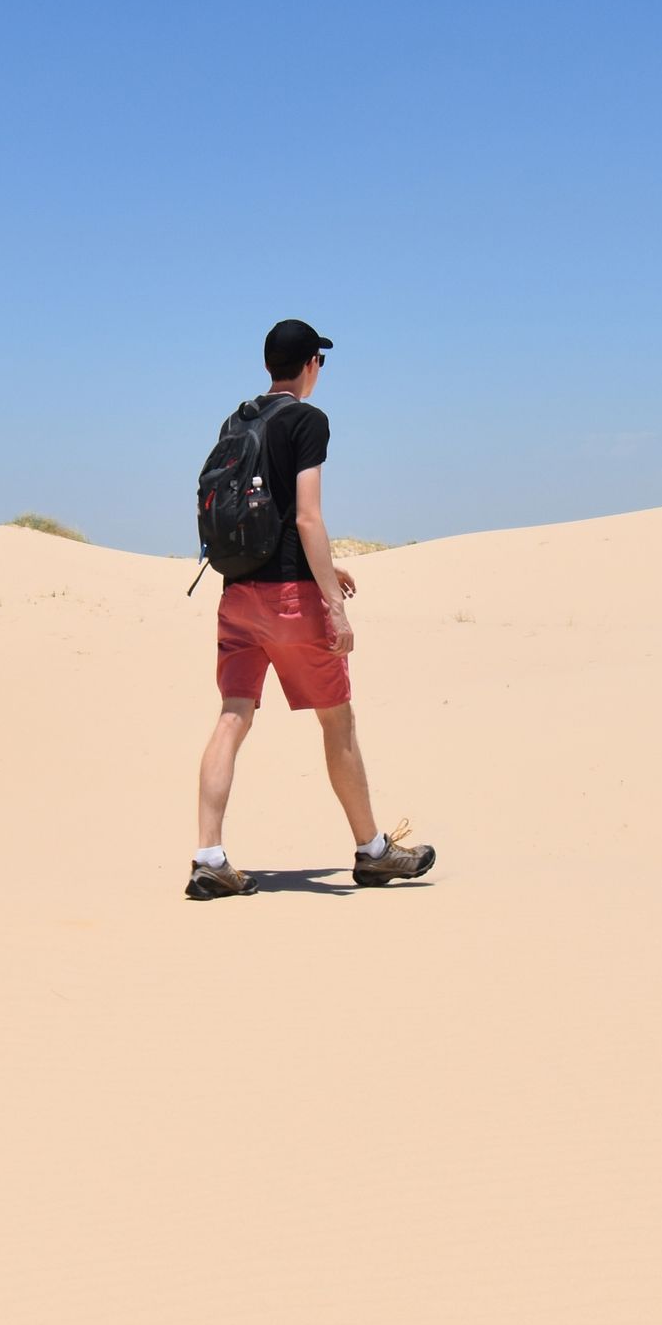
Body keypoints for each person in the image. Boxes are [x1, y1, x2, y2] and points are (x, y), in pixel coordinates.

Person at [186, 318, 436, 899]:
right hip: (290, 599)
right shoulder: (308, 420)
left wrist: (328, 568)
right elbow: (306, 516)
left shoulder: (237, 419)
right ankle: (373, 852)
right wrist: (334, 606)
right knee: (337, 720)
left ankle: (208, 856)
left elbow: (266, 514)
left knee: (233, 717)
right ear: (310, 365)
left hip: (236, 595)